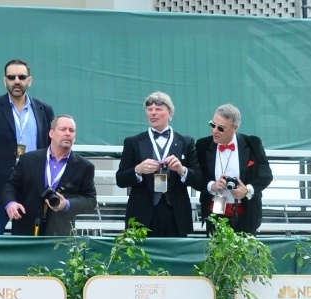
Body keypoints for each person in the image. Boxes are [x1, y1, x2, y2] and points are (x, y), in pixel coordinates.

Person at [0, 58, 54, 236]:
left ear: (29, 81)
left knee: (28, 238)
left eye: (21, 76)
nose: (17, 81)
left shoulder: (44, 109)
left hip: (33, 183)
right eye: (11, 77)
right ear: (5, 81)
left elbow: (50, 147)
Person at [115, 91, 196, 238]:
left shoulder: (186, 142)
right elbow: (120, 179)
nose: (153, 113)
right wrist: (138, 170)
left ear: (170, 113)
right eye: (150, 109)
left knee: (174, 258)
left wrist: (181, 170)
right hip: (143, 214)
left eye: (158, 109)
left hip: (175, 214)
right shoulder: (133, 142)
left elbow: (198, 179)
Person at [4, 114, 96, 237]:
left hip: (60, 235)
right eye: (63, 129)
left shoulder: (84, 166)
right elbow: (10, 186)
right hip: (26, 230)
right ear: (51, 133)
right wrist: (11, 203)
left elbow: (90, 201)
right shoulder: (28, 160)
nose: (68, 133)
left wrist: (67, 204)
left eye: (72, 130)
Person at [189, 103, 273, 234]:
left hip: (245, 216)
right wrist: (212, 186)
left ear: (235, 128)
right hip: (214, 215)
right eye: (212, 125)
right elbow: (196, 177)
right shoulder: (202, 145)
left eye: (221, 128)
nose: (214, 130)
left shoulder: (252, 144)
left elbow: (266, 175)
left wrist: (247, 190)